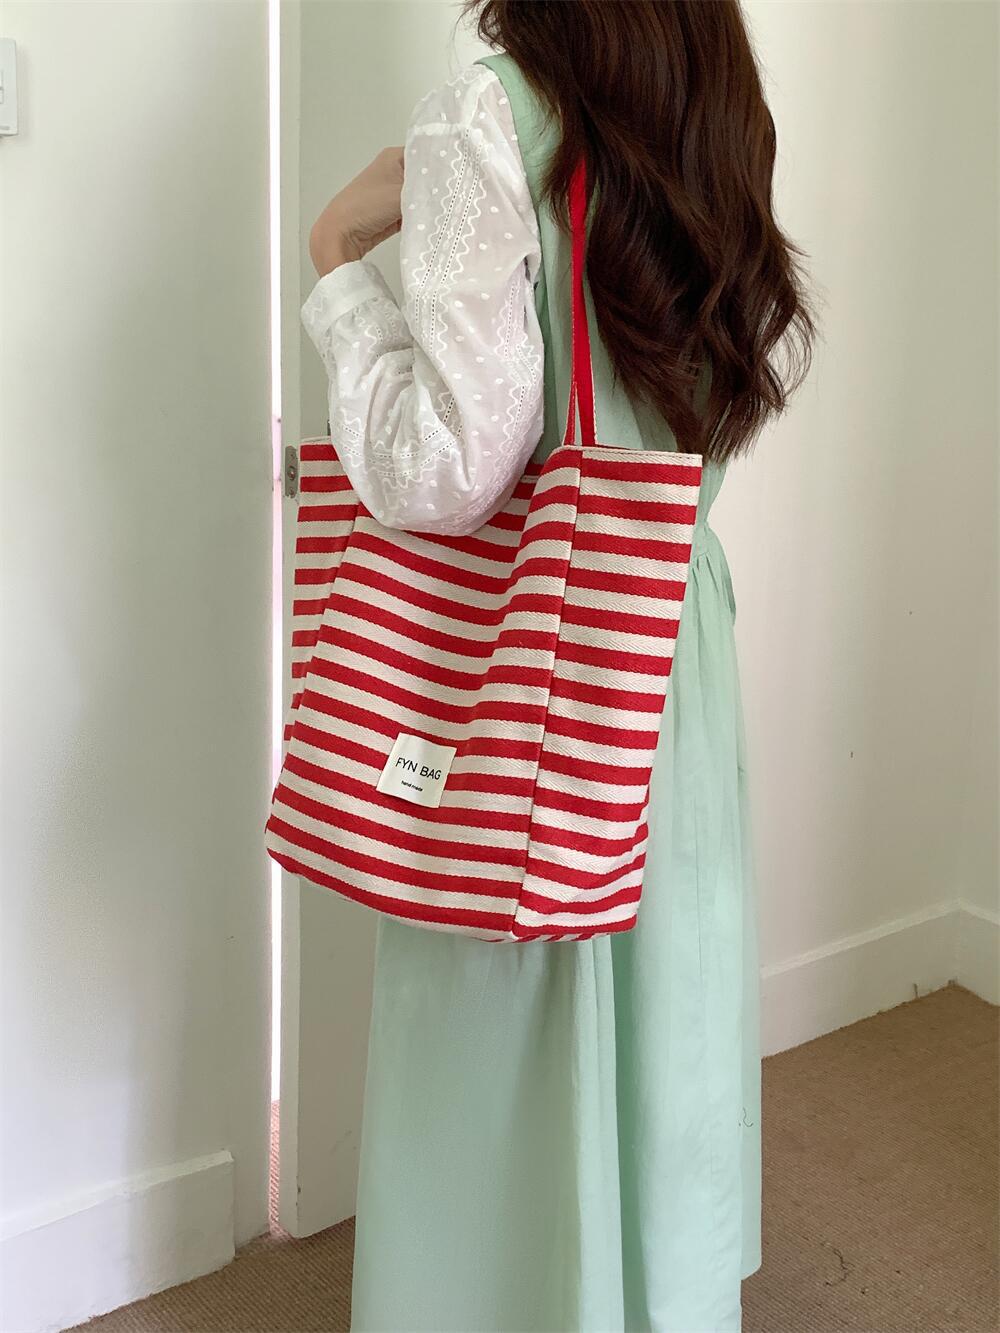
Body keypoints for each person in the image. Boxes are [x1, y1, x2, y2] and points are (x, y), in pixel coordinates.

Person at [301, 2, 815, 1328]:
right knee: (659, 998)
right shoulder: (716, 108)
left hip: (537, 665)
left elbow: (444, 471)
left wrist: (338, 263)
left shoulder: (489, 114)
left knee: (507, 1007)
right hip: (665, 630)